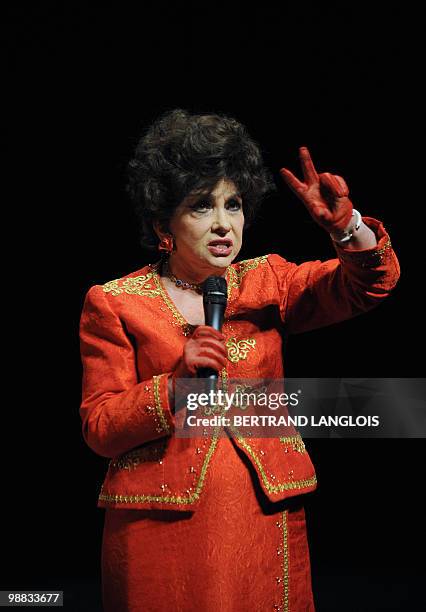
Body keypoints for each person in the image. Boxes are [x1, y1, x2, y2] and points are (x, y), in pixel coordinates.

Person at [79, 108, 400, 612]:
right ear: (164, 222)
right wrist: (175, 383)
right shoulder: (116, 301)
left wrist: (347, 228)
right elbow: (100, 425)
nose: (225, 224)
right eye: (202, 207)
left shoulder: (267, 280)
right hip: (159, 525)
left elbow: (368, 286)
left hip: (261, 514)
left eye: (234, 204)